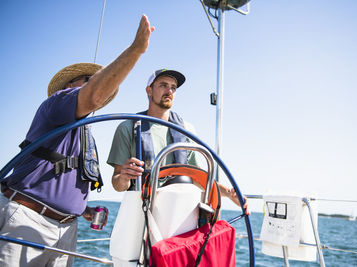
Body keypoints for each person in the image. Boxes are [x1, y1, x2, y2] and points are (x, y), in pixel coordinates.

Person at [0, 14, 154, 267]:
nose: (98, 88)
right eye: (89, 81)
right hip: (28, 220)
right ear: (70, 86)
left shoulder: (83, 132)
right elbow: (92, 98)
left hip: (66, 230)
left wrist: (84, 211)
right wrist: (136, 50)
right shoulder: (57, 104)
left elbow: (62, 176)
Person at [107, 69, 249, 214]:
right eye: (163, 85)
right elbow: (117, 184)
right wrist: (124, 177)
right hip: (141, 211)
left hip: (179, 211)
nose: (169, 91)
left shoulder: (187, 130)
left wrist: (230, 194)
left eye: (173, 87)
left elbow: (198, 179)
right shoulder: (127, 128)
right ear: (149, 90)